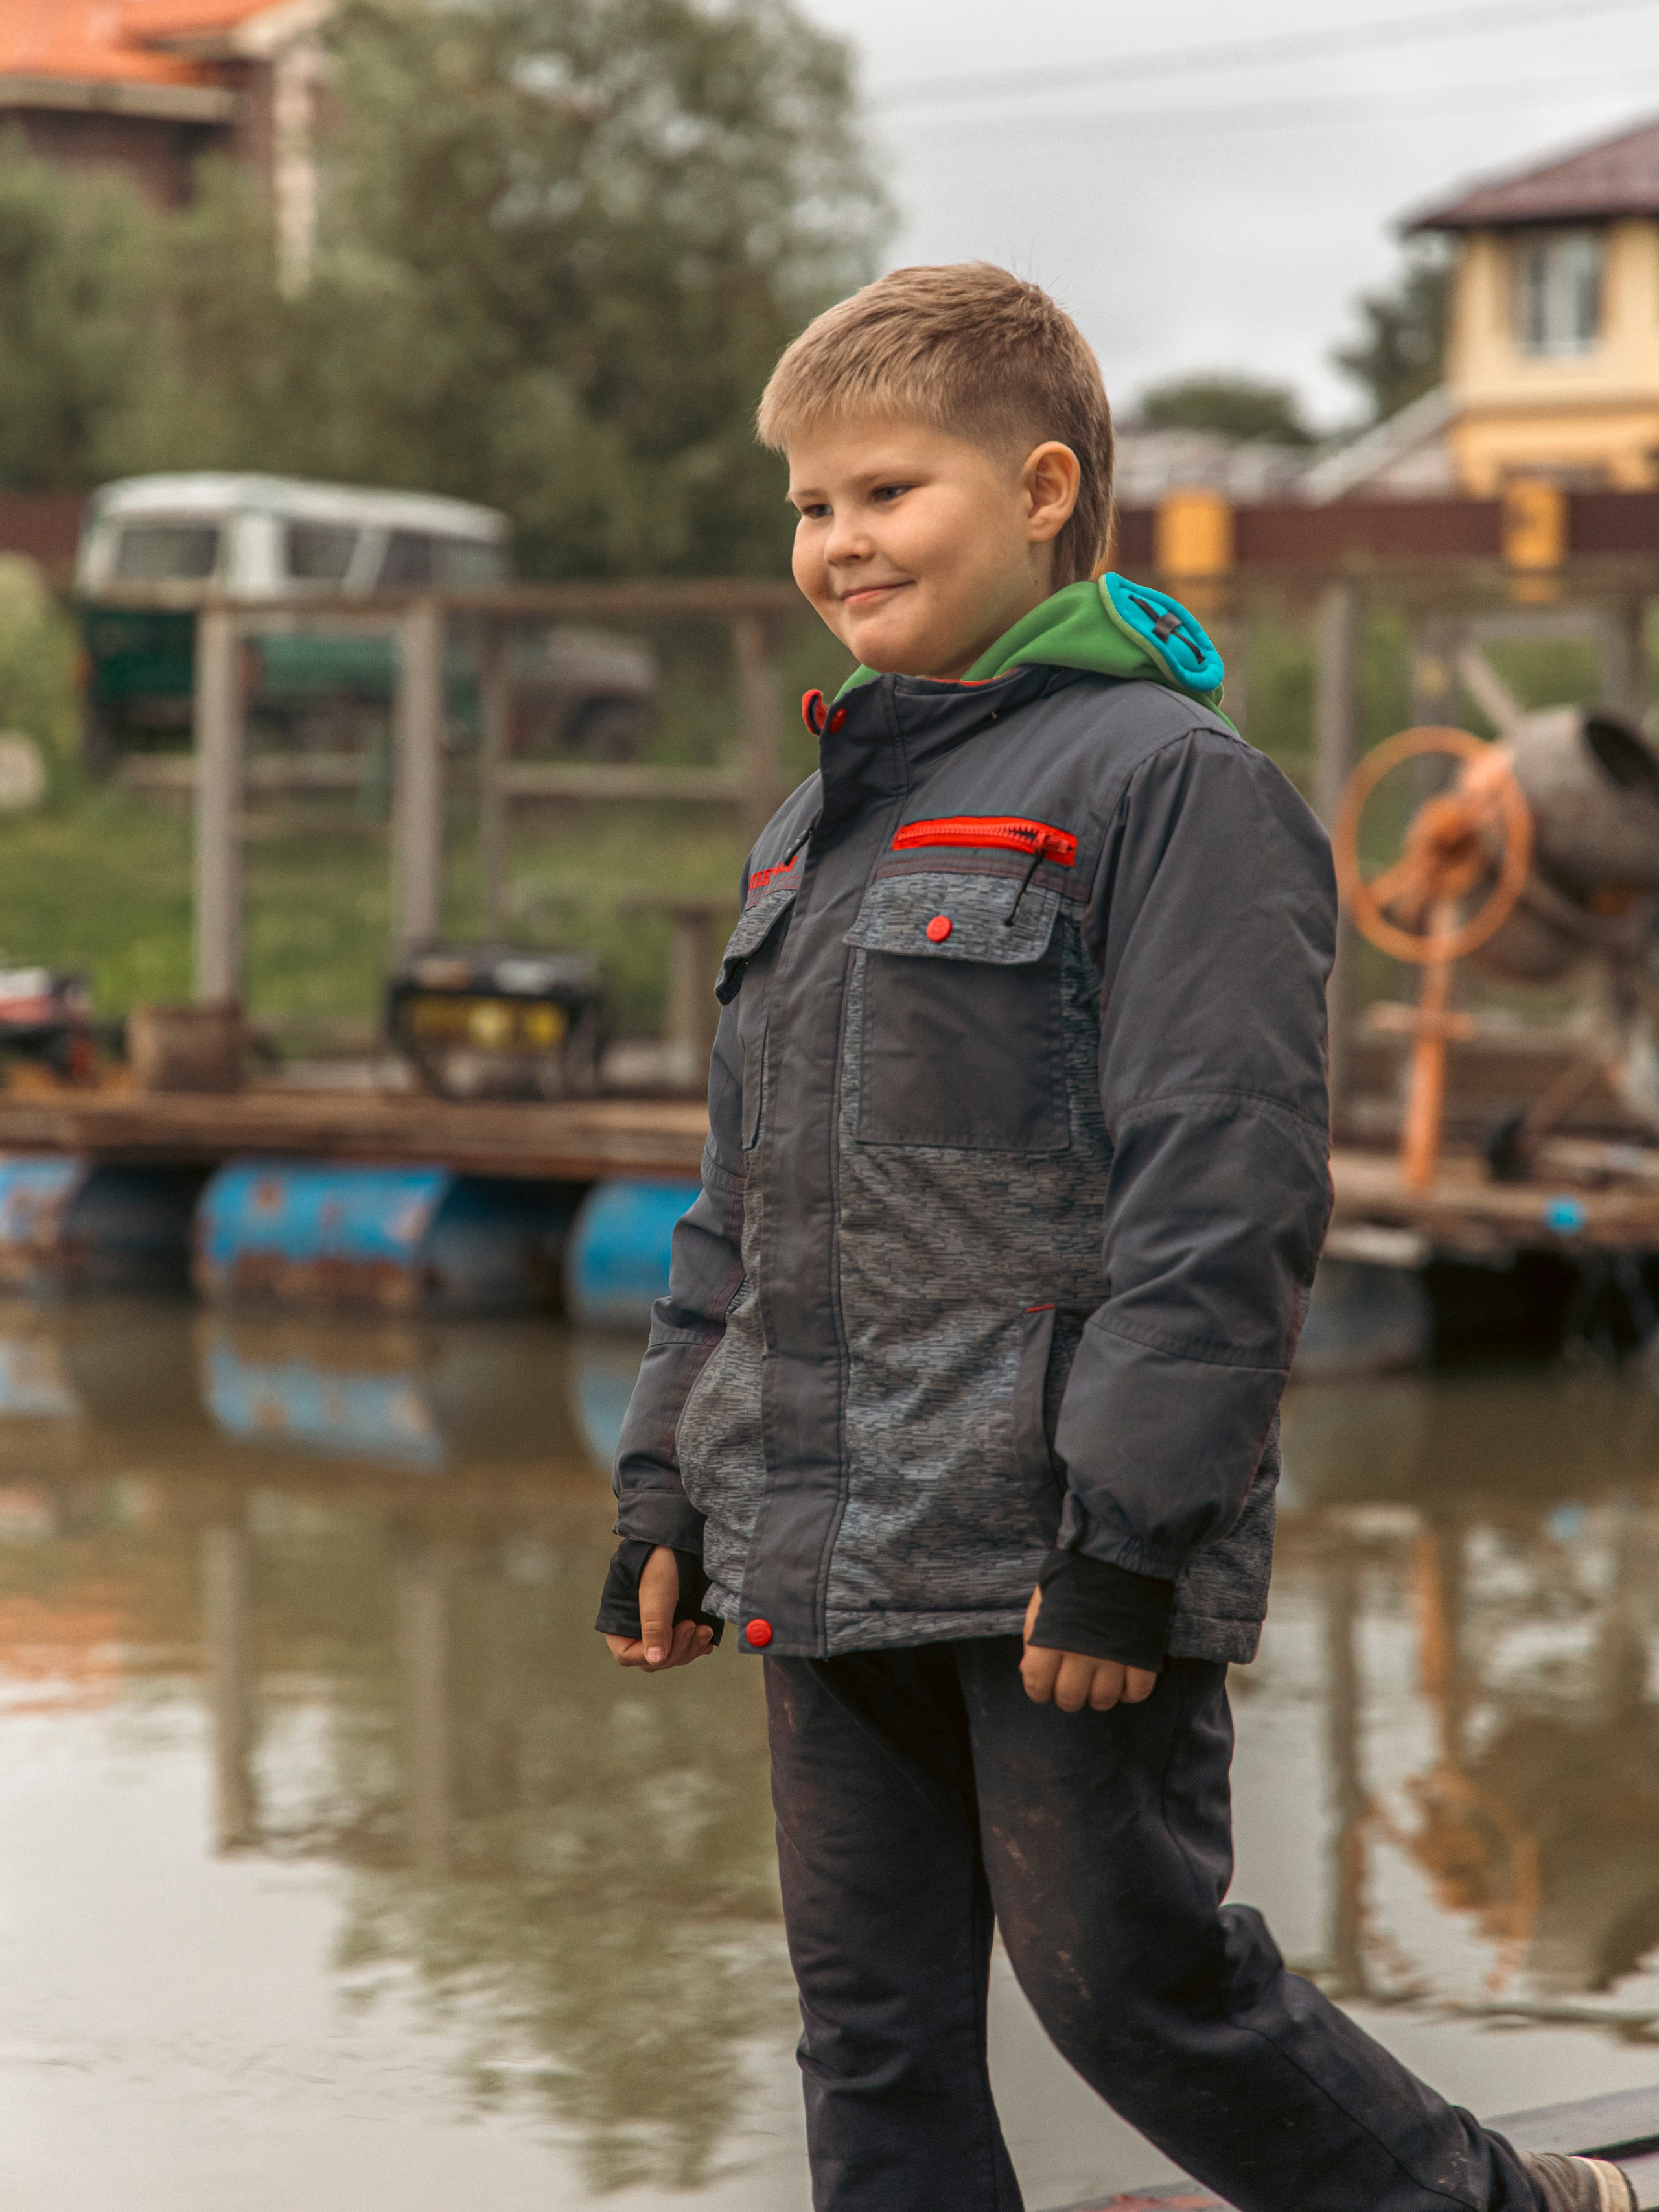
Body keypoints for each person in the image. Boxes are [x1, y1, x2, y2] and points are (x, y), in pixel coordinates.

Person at [594, 262, 1632, 2212]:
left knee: (1133, 1990)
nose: (839, 542)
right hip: (815, 1540)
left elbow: (1224, 1192)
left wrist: (1131, 1545)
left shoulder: (1173, 790)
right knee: (871, 2029)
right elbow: (744, 1206)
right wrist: (667, 1486)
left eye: (890, 492)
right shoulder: (815, 822)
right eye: (812, 505)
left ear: (1048, 485)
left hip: (1053, 1545)